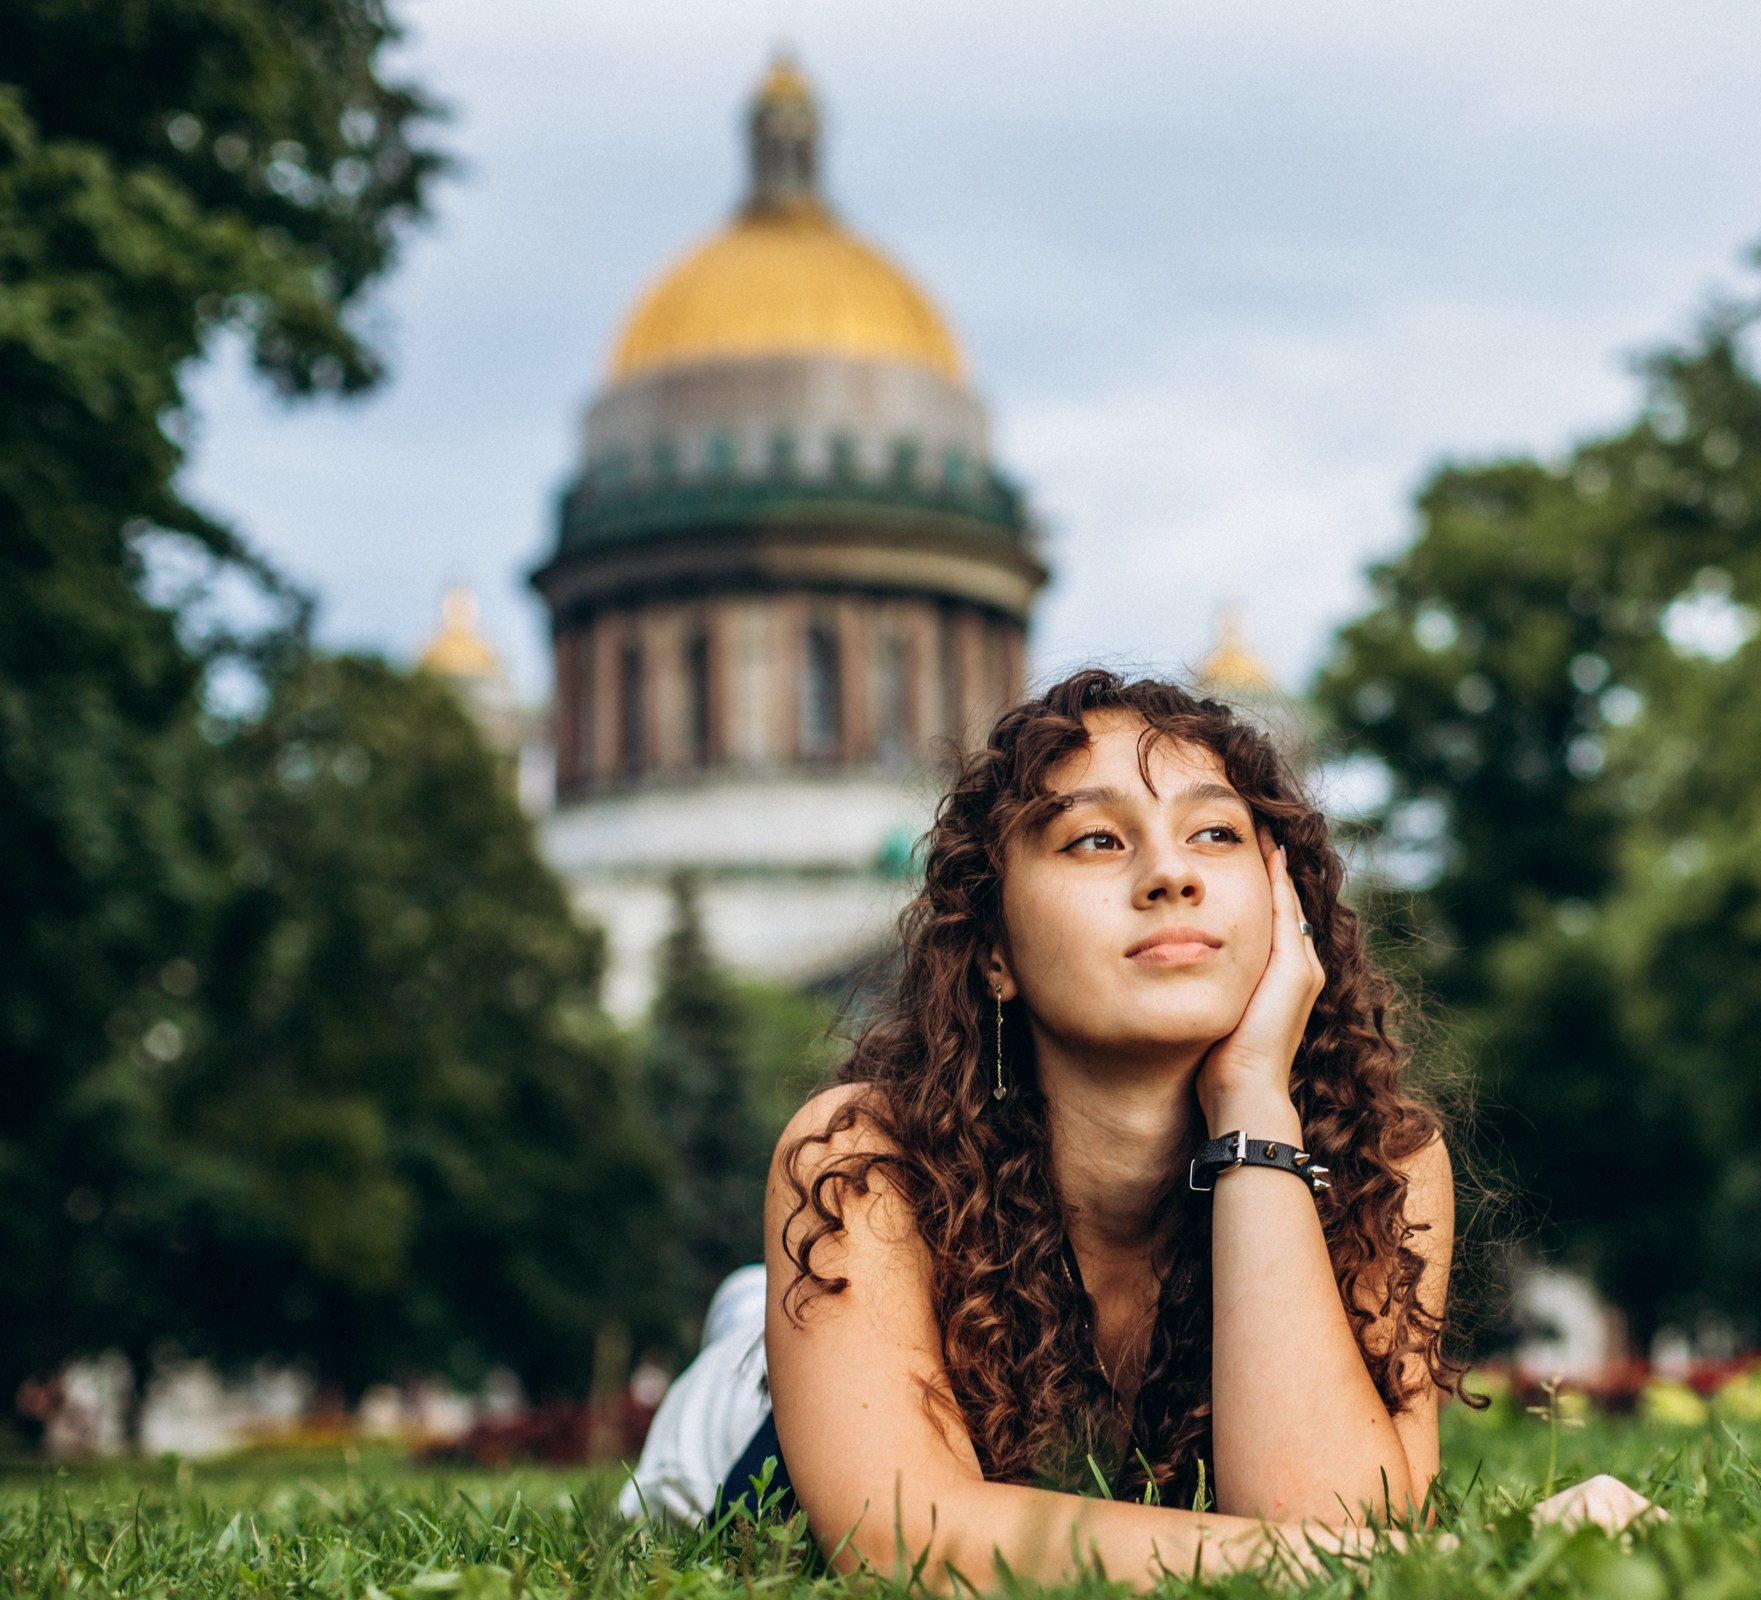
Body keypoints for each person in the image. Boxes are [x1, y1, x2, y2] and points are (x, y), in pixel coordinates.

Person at [622, 672, 1652, 1585]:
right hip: (740, 1432)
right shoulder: (859, 1159)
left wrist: (1252, 1099)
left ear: (1288, 905)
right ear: (994, 953)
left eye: (1215, 832)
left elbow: (1343, 1524)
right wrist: (1378, 1558)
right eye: (1096, 839)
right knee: (763, 1352)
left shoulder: (1383, 1160)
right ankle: (752, 1324)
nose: (1171, 875)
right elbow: (900, 1537)